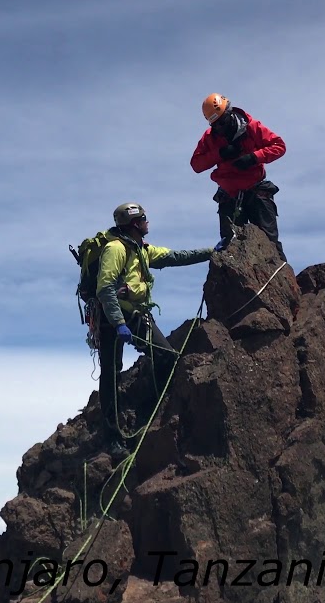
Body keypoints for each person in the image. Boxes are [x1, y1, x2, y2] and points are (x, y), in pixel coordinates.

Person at [95, 202, 212, 454]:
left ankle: (156, 411)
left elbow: (174, 257)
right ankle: (112, 439)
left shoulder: (142, 250)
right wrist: (118, 323)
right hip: (111, 318)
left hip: (136, 315)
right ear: (135, 223)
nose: (149, 222)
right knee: (111, 373)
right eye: (145, 218)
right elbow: (105, 289)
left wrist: (212, 252)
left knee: (166, 356)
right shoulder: (115, 249)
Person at [190, 93, 287, 260]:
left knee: (269, 242)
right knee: (231, 245)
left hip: (256, 189)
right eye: (215, 124)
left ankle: (280, 278)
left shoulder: (251, 127)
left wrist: (254, 157)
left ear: (229, 112)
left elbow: (279, 146)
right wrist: (219, 153)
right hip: (230, 194)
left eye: (222, 121)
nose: (219, 127)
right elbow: (196, 165)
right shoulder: (210, 137)